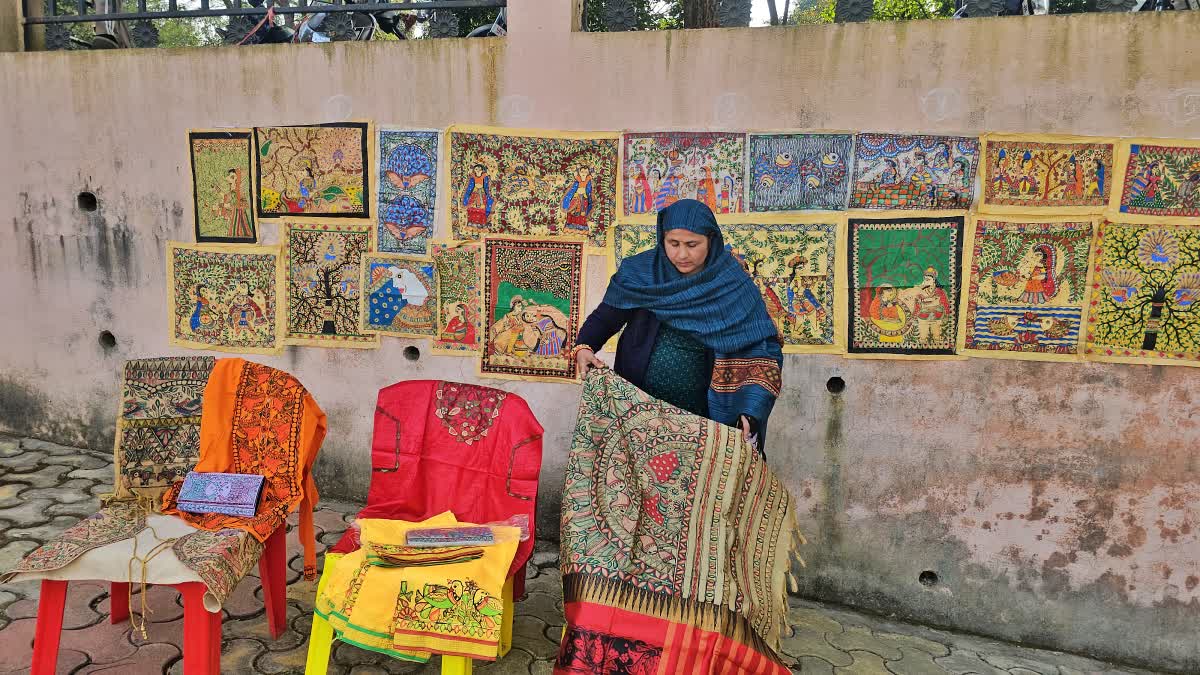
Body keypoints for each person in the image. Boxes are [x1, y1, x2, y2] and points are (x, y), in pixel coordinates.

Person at [573, 199, 782, 457]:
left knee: (697, 490)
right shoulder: (641, 274)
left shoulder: (732, 284)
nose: (682, 255)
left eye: (692, 245)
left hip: (706, 418)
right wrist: (584, 346)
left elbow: (762, 349)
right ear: (662, 239)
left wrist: (751, 408)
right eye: (673, 244)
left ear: (711, 240)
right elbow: (607, 317)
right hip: (640, 410)